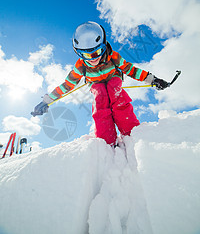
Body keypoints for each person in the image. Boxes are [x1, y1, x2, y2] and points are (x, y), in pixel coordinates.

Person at [31, 21, 169, 146]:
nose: (93, 59)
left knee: (114, 89)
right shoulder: (80, 67)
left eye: (97, 52)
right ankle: (106, 140)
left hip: (113, 79)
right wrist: (46, 101)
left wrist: (153, 80)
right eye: (86, 55)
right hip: (95, 85)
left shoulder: (113, 57)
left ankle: (131, 131)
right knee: (100, 96)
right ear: (78, 53)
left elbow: (131, 70)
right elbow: (67, 85)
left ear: (103, 46)